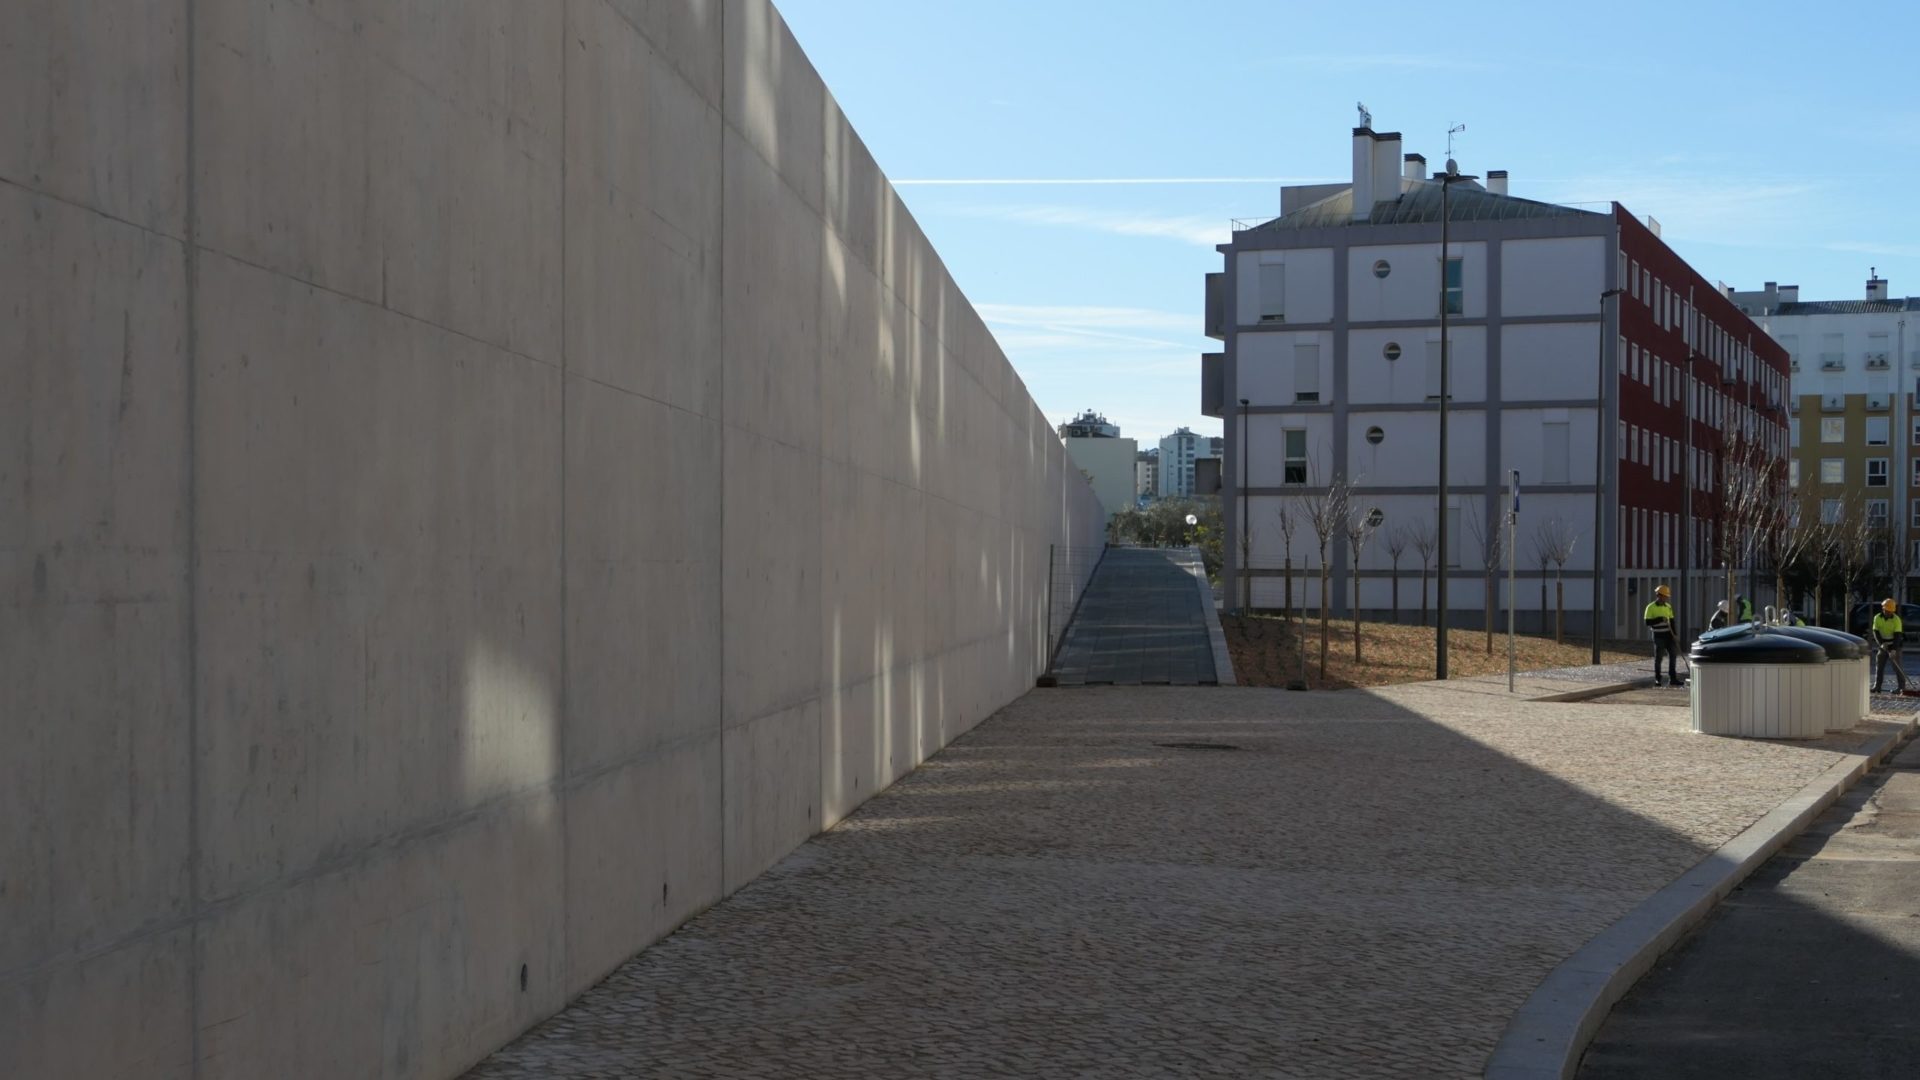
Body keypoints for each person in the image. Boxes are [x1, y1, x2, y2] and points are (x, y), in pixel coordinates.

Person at [1645, 584, 1679, 686]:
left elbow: (1672, 621)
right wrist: (1660, 619)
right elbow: (1647, 622)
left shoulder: (1668, 607)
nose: (1665, 598)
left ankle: (1673, 678)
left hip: (1669, 635)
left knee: (1673, 656)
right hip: (1658, 635)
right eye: (1664, 596)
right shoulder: (1650, 607)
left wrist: (1675, 634)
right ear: (1658, 595)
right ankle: (1658, 679)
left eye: (1666, 597)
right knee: (1659, 658)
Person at [1872, 598, 1907, 694]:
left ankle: (1901, 688)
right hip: (1883, 645)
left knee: (1897, 667)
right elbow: (1876, 632)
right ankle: (1877, 686)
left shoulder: (1896, 619)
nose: (1889, 613)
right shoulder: (1877, 618)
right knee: (1879, 666)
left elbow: (1897, 636)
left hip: (1895, 645)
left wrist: (1894, 650)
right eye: (1887, 611)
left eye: (1891, 611)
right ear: (1883, 609)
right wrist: (1881, 644)